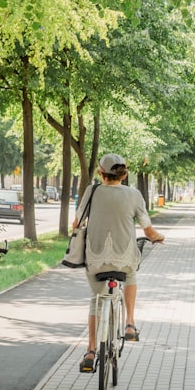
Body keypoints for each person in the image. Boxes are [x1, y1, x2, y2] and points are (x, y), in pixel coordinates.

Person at [73, 153, 165, 373]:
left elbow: (77, 223)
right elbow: (148, 229)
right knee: (131, 273)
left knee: (96, 300)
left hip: (95, 258)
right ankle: (130, 323)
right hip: (124, 259)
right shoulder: (134, 195)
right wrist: (157, 237)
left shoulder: (91, 191)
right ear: (124, 175)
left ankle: (91, 350)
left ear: (100, 173)